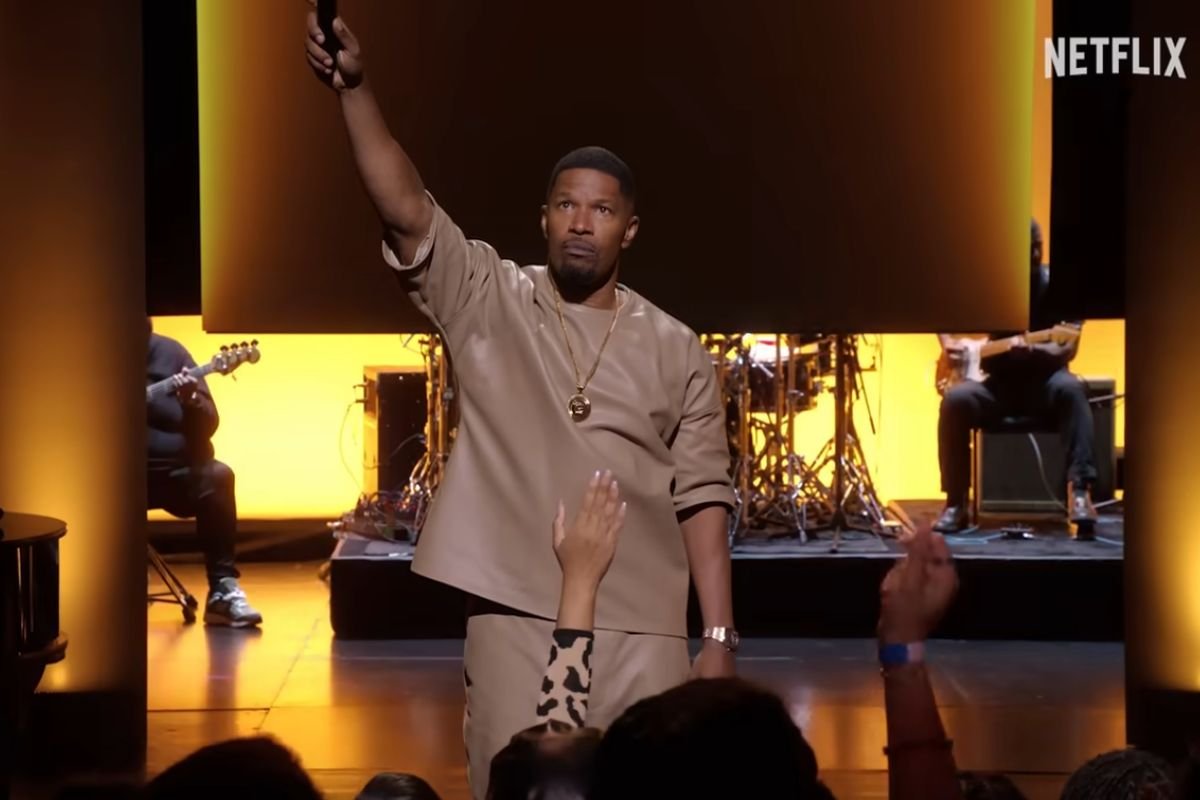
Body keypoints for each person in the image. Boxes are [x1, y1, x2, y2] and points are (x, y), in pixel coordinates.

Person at [304, 11, 737, 798]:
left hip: (645, 620)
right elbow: (406, 209)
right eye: (566, 205)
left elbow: (702, 495)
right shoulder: (490, 298)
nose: (581, 223)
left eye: (601, 210)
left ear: (629, 230)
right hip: (514, 606)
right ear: (544, 219)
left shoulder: (675, 346)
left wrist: (717, 635)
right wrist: (354, 91)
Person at [934, 219, 1098, 534]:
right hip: (998, 386)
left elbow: (1067, 348)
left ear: (1038, 251)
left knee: (1073, 390)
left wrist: (1033, 351)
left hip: (1046, 383)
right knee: (956, 400)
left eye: (1030, 251)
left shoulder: (1061, 287)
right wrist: (948, 345)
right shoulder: (994, 285)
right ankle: (956, 503)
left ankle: (1079, 493)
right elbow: (943, 306)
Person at [146, 322, 261, 627]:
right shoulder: (98, 355)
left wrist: (191, 400)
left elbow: (209, 424)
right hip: (108, 482)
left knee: (219, 476)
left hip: (172, 476)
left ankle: (222, 591)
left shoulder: (172, 353)